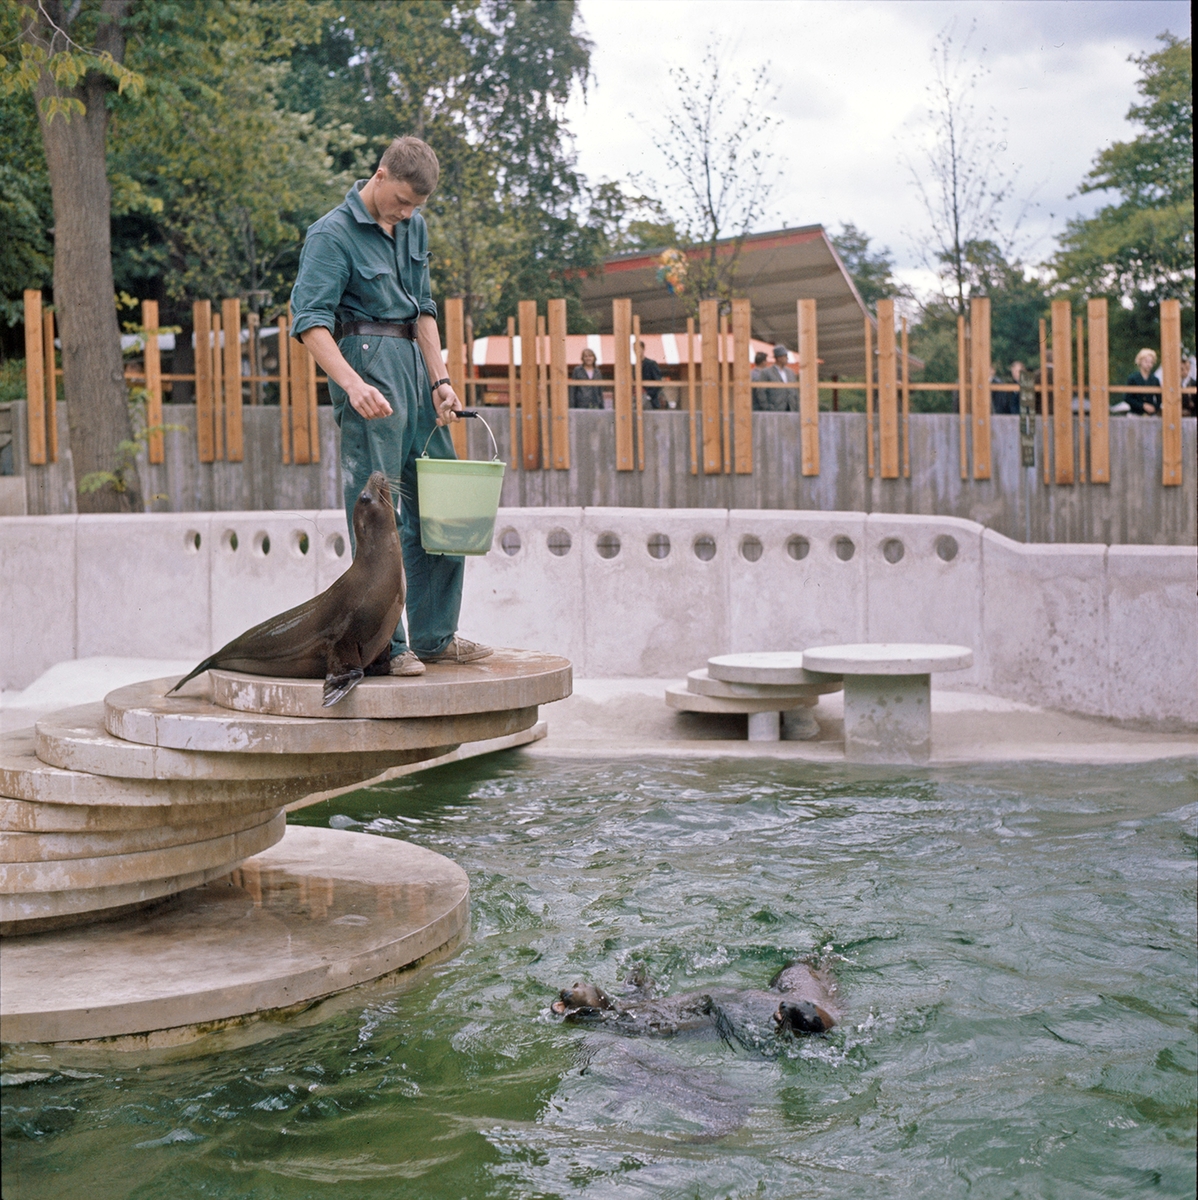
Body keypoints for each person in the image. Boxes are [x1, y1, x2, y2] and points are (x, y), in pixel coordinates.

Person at [289, 135, 491, 677]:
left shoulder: (413, 227)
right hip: (367, 365)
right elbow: (310, 321)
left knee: (446, 505)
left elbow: (423, 309)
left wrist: (441, 379)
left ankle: (434, 636)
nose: (406, 213)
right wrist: (352, 384)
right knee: (379, 511)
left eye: (416, 207)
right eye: (401, 201)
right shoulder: (330, 234)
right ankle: (387, 646)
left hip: (415, 372)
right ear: (379, 175)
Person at [1124, 348, 1161, 416]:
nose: (1149, 364)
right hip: (1135, 414)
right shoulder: (1133, 378)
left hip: (1150, 415)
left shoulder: (1155, 380)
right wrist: (1142, 405)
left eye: (1151, 362)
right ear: (1140, 361)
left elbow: (1160, 398)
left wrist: (1154, 408)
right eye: (1146, 362)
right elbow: (1127, 398)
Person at [764, 344, 799, 412]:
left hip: (791, 408)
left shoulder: (790, 372)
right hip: (775, 409)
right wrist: (767, 407)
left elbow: (795, 391)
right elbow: (761, 392)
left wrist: (797, 407)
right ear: (779, 358)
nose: (787, 358)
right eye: (785, 356)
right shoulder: (767, 372)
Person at [638, 341, 665, 408]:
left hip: (649, 399)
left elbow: (659, 381)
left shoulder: (651, 364)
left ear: (643, 349)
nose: (636, 351)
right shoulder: (635, 365)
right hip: (637, 397)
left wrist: (649, 395)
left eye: (638, 348)